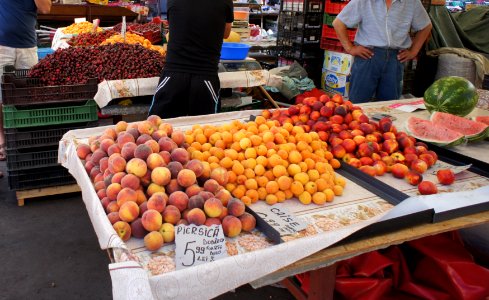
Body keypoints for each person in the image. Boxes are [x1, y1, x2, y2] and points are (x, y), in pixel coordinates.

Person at [332, 0, 432, 103]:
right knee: (358, 103)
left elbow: (426, 26)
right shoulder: (364, 1)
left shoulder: (412, 2)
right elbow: (338, 23)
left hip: (395, 59)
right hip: (368, 57)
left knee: (390, 105)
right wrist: (350, 48)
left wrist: (413, 51)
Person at [148, 0, 233, 118]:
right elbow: (226, 33)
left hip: (173, 76)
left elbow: (176, 25)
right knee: (205, 132)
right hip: (205, 76)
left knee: (159, 131)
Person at [0, 0, 52, 179]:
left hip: (27, 46)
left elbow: (45, 8)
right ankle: (2, 141)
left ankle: (24, 144)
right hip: (1, 45)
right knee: (1, 96)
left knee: (29, 96)